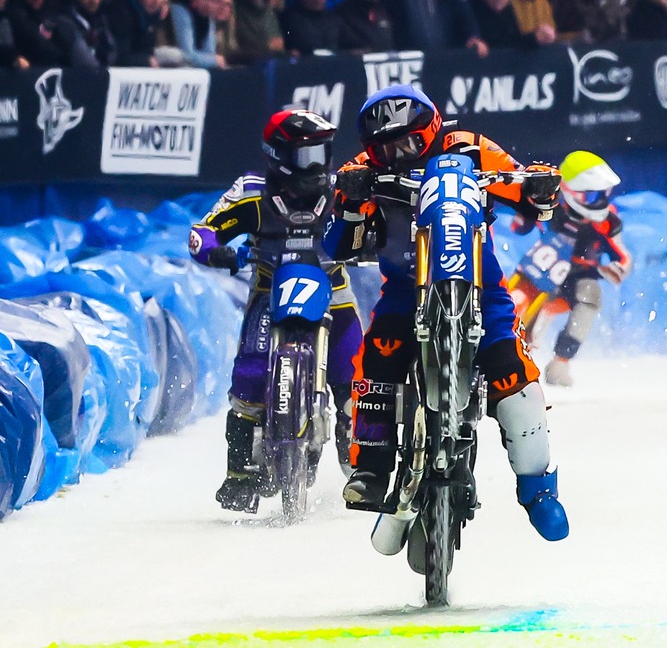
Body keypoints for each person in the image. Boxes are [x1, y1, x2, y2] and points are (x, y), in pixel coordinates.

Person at [331, 85, 569, 539]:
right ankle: (371, 468)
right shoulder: (361, 168)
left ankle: (538, 489)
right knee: (378, 355)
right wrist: (351, 201)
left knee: (514, 375)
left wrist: (538, 184)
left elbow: (524, 189)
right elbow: (336, 241)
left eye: (409, 143)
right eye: (386, 149)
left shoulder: (472, 147)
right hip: (405, 290)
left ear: (432, 129)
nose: (398, 155)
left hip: (483, 289)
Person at [190, 109, 363, 512]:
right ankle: (238, 474)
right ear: (278, 156)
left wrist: (374, 240)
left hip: (334, 293)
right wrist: (216, 251)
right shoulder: (251, 192)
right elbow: (203, 231)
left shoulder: (344, 190)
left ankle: (361, 455)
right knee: (248, 379)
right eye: (307, 156)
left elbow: (378, 222)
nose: (317, 166)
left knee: (355, 376)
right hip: (270, 293)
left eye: (322, 153)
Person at [507, 151, 633, 387]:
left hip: (579, 277)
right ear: (573, 192)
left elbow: (623, 256)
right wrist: (526, 202)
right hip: (543, 269)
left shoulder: (607, 222)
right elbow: (519, 227)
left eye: (603, 194)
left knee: (590, 296)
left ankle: (561, 361)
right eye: (593, 195)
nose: (600, 201)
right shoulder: (552, 205)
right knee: (514, 301)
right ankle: (508, 352)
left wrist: (618, 268)